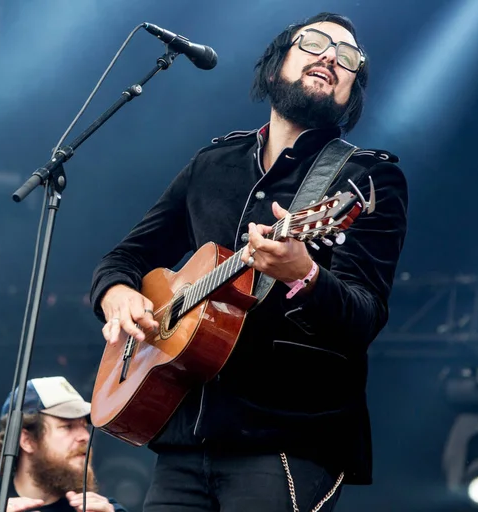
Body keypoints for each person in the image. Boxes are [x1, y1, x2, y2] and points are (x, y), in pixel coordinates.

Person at [90, 11, 408, 512]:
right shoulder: (213, 163)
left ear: (353, 90)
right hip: (181, 438)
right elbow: (126, 257)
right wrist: (117, 294)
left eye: (348, 58)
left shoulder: (367, 180)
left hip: (286, 439)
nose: (330, 56)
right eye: (315, 43)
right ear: (278, 59)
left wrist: (305, 274)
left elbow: (365, 315)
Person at [0, 376, 127, 512]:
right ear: (27, 440)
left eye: (84, 426)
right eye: (67, 426)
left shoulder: (105, 510)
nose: (85, 436)